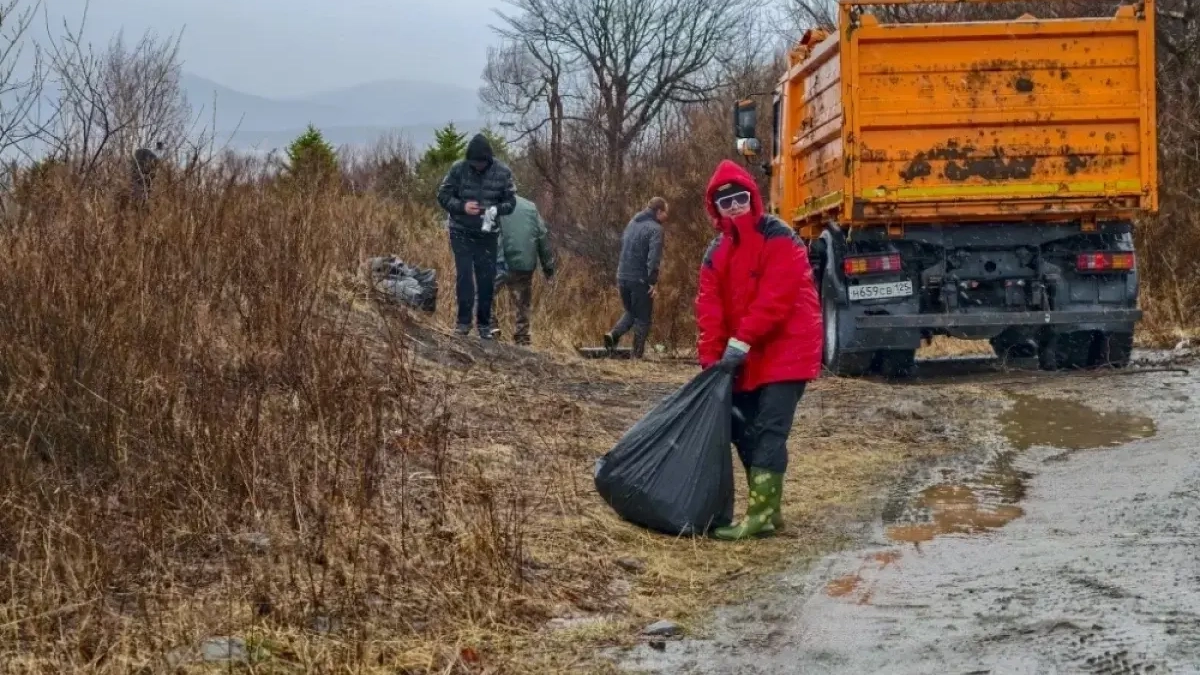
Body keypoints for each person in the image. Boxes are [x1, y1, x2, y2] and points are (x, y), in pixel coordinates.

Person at [696, 160, 822, 541]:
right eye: (725, 201)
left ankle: (762, 514)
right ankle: (768, 511)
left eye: (740, 198)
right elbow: (710, 309)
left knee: (769, 428)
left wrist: (741, 340)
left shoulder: (779, 235)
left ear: (753, 198)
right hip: (745, 355)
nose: (734, 206)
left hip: (788, 349)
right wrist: (711, 362)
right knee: (740, 425)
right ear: (714, 208)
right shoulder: (716, 251)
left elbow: (777, 296)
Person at [436, 133, 517, 339]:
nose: (477, 167)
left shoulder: (503, 172)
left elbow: (511, 203)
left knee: (486, 279)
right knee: (464, 276)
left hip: (487, 233)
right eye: (474, 163)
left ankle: (483, 325)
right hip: (460, 229)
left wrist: (496, 210)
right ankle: (463, 323)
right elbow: (443, 196)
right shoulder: (458, 169)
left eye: (481, 163)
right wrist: (462, 207)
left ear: (488, 160)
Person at [603, 197, 666, 359]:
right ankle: (637, 356)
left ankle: (613, 335)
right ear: (659, 211)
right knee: (643, 317)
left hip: (622, 275)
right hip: (640, 278)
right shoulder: (655, 229)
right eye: (665, 212)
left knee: (631, 311)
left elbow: (623, 244)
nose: (666, 216)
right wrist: (652, 281)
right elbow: (653, 258)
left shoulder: (632, 223)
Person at [495, 194, 556, 346]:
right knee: (522, 302)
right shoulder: (530, 207)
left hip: (497, 262)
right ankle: (521, 337)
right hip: (524, 262)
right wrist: (548, 269)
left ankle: (491, 329)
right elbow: (542, 237)